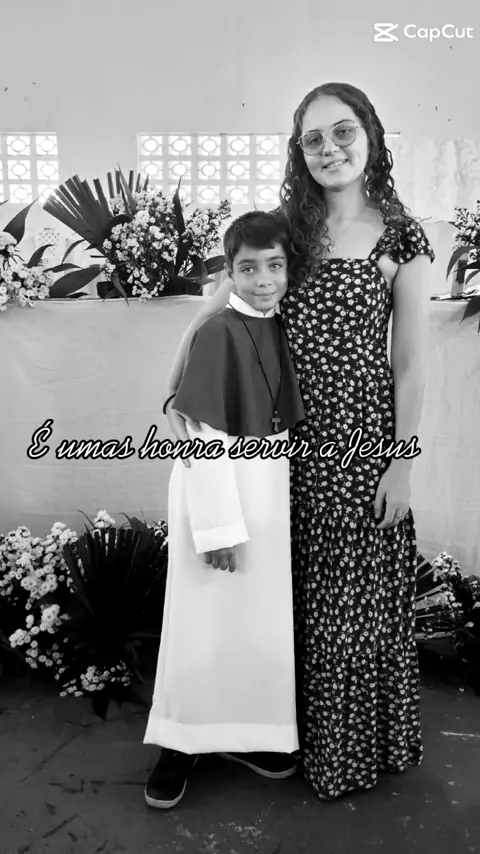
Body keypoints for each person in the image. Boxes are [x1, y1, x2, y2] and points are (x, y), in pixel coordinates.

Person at [162, 82, 435, 802]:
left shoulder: (401, 235)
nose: (329, 149)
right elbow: (219, 303)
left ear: (371, 134)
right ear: (298, 151)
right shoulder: (286, 229)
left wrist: (401, 465)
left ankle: (348, 750)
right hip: (276, 444)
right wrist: (175, 380)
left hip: (359, 446)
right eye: (313, 138)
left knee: (351, 602)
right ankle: (257, 731)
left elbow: (410, 363)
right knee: (274, 592)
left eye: (343, 132)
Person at [144, 211, 306, 809]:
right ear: (229, 273)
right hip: (218, 493)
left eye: (275, 266)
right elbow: (202, 437)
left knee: (257, 620)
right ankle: (180, 742)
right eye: (248, 268)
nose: (263, 280)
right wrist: (217, 527)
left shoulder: (279, 324)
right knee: (203, 618)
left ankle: (251, 733)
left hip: (267, 491)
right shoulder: (218, 332)